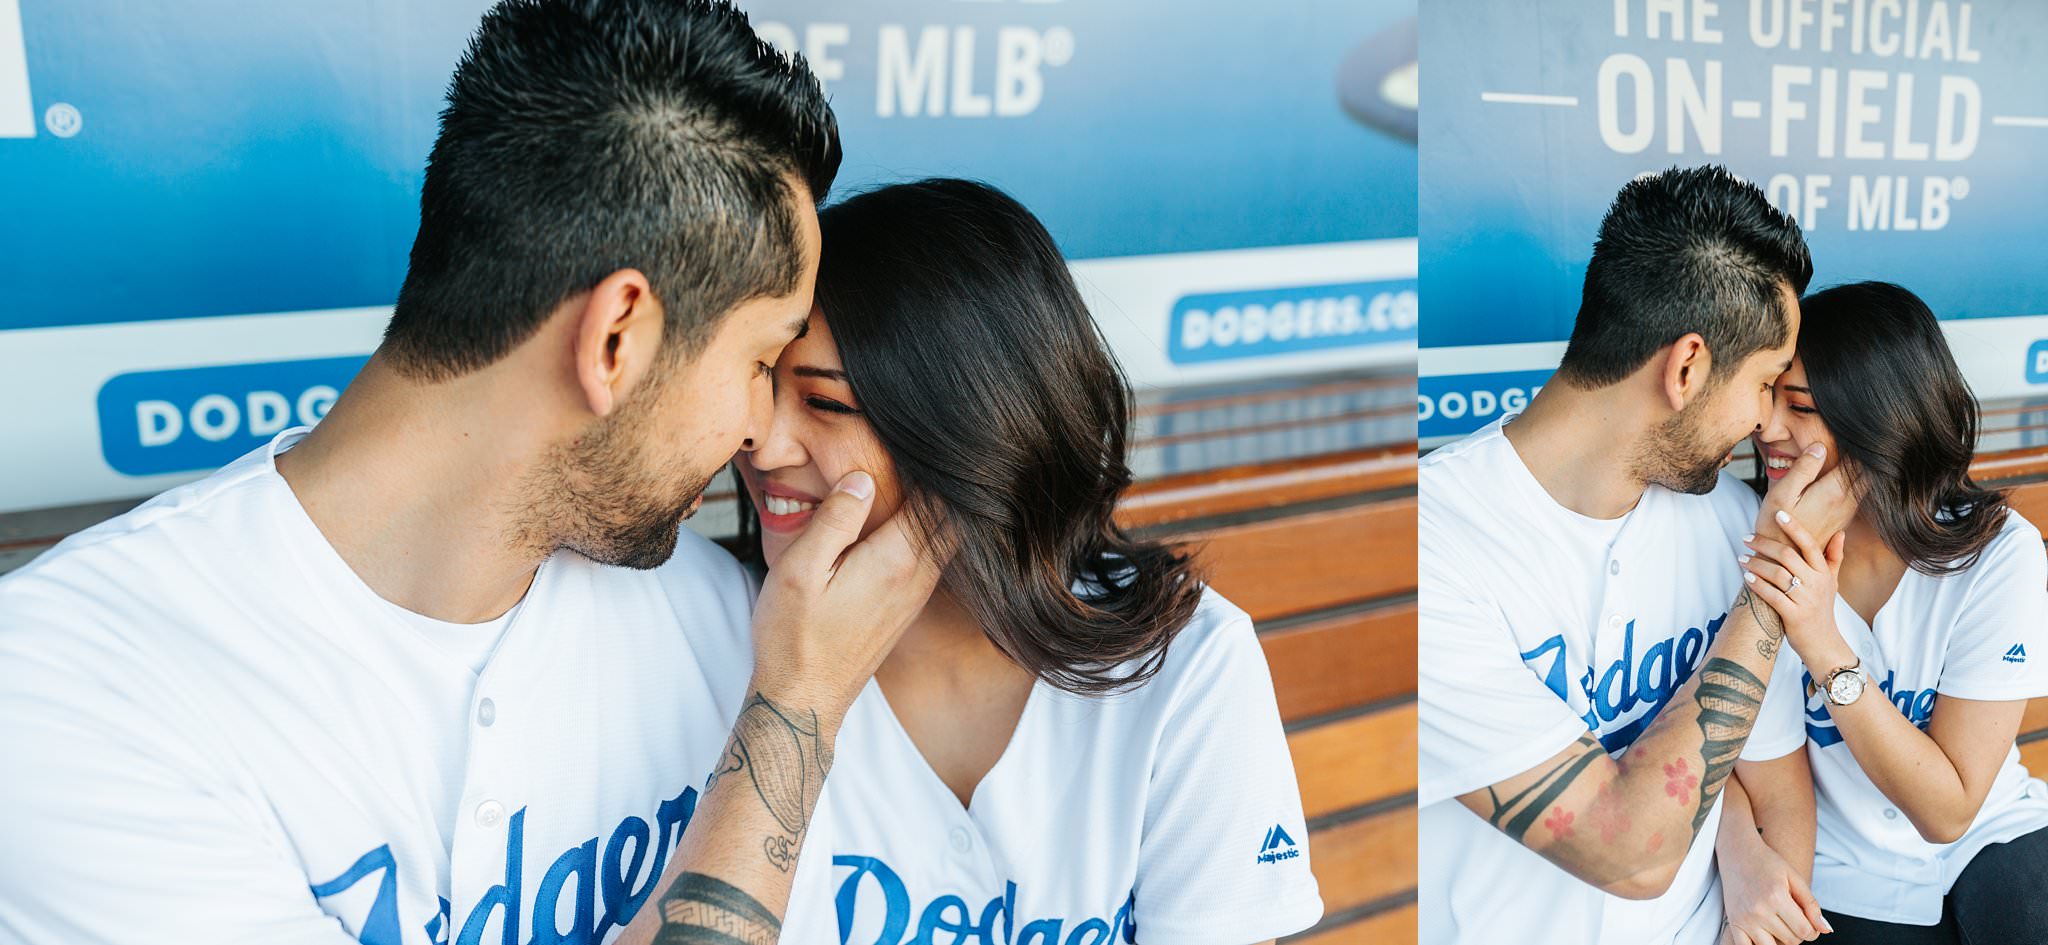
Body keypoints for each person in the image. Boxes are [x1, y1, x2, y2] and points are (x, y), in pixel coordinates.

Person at [0, 2, 941, 943]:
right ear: (616, 339)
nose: (758, 428)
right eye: (757, 363)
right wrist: (795, 712)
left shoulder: (737, 623)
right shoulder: (67, 689)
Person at [725, 178, 1325, 944]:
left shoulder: (1188, 663)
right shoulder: (712, 627)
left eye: (828, 404)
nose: (763, 444)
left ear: (967, 426)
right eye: (763, 386)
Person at [1417, 165, 1856, 945]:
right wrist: (1771, 582)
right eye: (1762, 383)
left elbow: (1779, 785)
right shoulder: (1437, 547)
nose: (1764, 422)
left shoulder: (1726, 520)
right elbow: (1629, 850)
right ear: (1686, 367)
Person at [1718, 282, 2048, 945]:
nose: (1767, 428)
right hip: (1841, 858)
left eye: (1801, 407)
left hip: (1986, 829)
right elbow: (1701, 740)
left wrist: (1817, 635)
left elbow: (1949, 809)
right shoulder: (1733, 527)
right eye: (1769, 397)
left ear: (1880, 419)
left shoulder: (1996, 550)